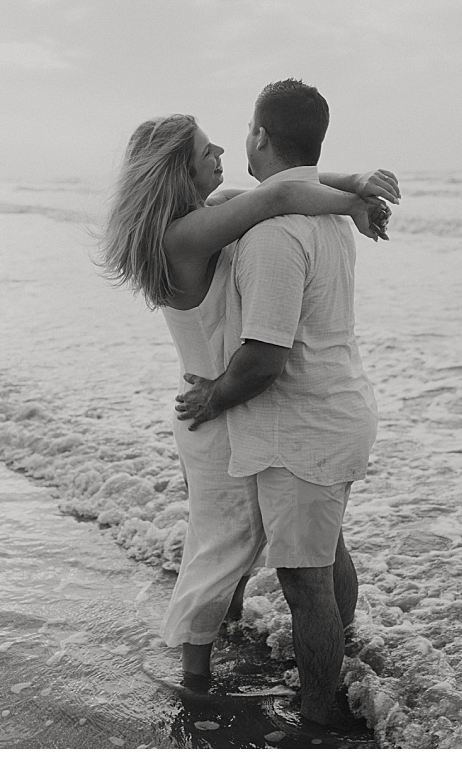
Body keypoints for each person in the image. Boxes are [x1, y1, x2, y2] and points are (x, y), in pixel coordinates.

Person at [98, 112, 396, 691]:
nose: (220, 157)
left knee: (241, 545)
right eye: (205, 153)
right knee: (222, 546)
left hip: (226, 402)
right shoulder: (183, 235)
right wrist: (355, 190)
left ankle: (233, 638)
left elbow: (286, 187)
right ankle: (194, 674)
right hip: (213, 408)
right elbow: (281, 193)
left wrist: (351, 192)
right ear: (176, 174)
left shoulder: (209, 215)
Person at [175, 79, 381, 731]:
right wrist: (357, 191)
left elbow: (264, 357)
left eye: (242, 132)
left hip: (303, 425)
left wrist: (213, 395)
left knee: (305, 583)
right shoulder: (321, 213)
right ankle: (339, 667)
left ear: (261, 136)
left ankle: (318, 721)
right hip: (340, 408)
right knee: (327, 556)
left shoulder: (271, 233)